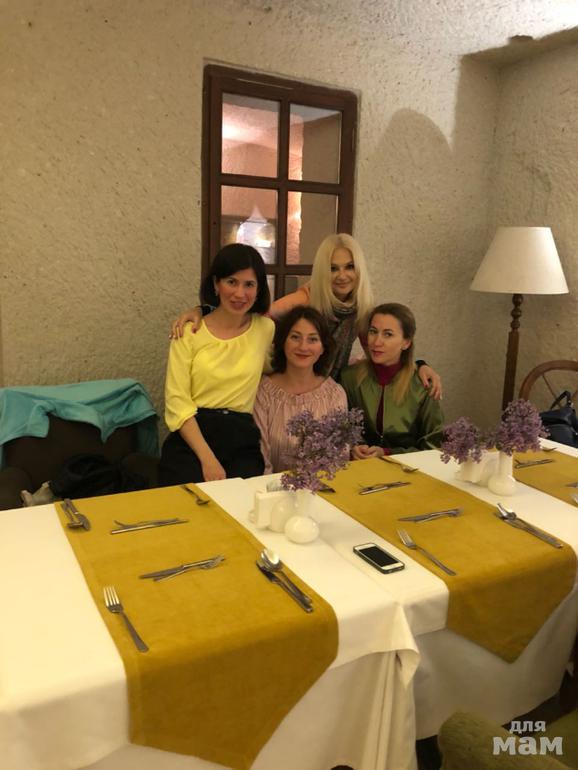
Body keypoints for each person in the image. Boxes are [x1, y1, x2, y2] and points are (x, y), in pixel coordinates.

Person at [169, 233, 442, 397]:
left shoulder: (360, 309)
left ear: (359, 269)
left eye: (349, 267)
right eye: (333, 268)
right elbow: (250, 312)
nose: (342, 275)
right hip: (289, 389)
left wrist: (419, 365)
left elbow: (381, 351)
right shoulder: (306, 298)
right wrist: (203, 310)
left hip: (331, 393)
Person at [158, 244, 274, 485]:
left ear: (259, 289)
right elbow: (177, 402)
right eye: (232, 282)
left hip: (242, 439)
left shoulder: (265, 329)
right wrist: (208, 459)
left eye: (249, 284)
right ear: (216, 284)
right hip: (193, 437)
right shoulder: (189, 331)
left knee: (243, 502)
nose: (240, 293)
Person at [340, 303, 444, 458]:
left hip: (409, 469)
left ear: (406, 342)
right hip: (361, 467)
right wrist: (352, 448)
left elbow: (433, 447)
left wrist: (388, 453)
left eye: (388, 334)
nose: (376, 342)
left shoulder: (423, 384)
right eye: (373, 332)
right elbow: (342, 430)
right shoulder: (349, 378)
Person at [253, 306, 348, 474]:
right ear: (283, 342)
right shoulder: (263, 392)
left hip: (323, 486)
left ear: (323, 347)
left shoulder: (335, 395)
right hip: (270, 486)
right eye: (295, 337)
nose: (303, 347)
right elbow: (260, 457)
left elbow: (339, 457)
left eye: (312, 339)